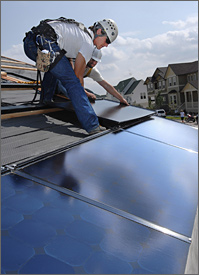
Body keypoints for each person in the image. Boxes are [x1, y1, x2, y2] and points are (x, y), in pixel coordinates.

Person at [23, 17, 118, 134]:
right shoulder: (88, 43)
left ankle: (45, 100)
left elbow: (67, 65)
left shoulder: (79, 34)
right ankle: (92, 125)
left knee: (54, 68)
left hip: (30, 43)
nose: (107, 45)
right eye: (107, 41)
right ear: (99, 32)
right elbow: (77, 79)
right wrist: (83, 96)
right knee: (73, 83)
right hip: (45, 43)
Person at [55, 47, 129, 106]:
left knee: (92, 95)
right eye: (92, 60)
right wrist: (86, 93)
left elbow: (106, 85)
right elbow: (73, 82)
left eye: (96, 61)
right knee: (75, 93)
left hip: (73, 85)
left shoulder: (92, 71)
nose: (94, 63)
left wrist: (121, 99)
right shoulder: (74, 62)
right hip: (59, 82)